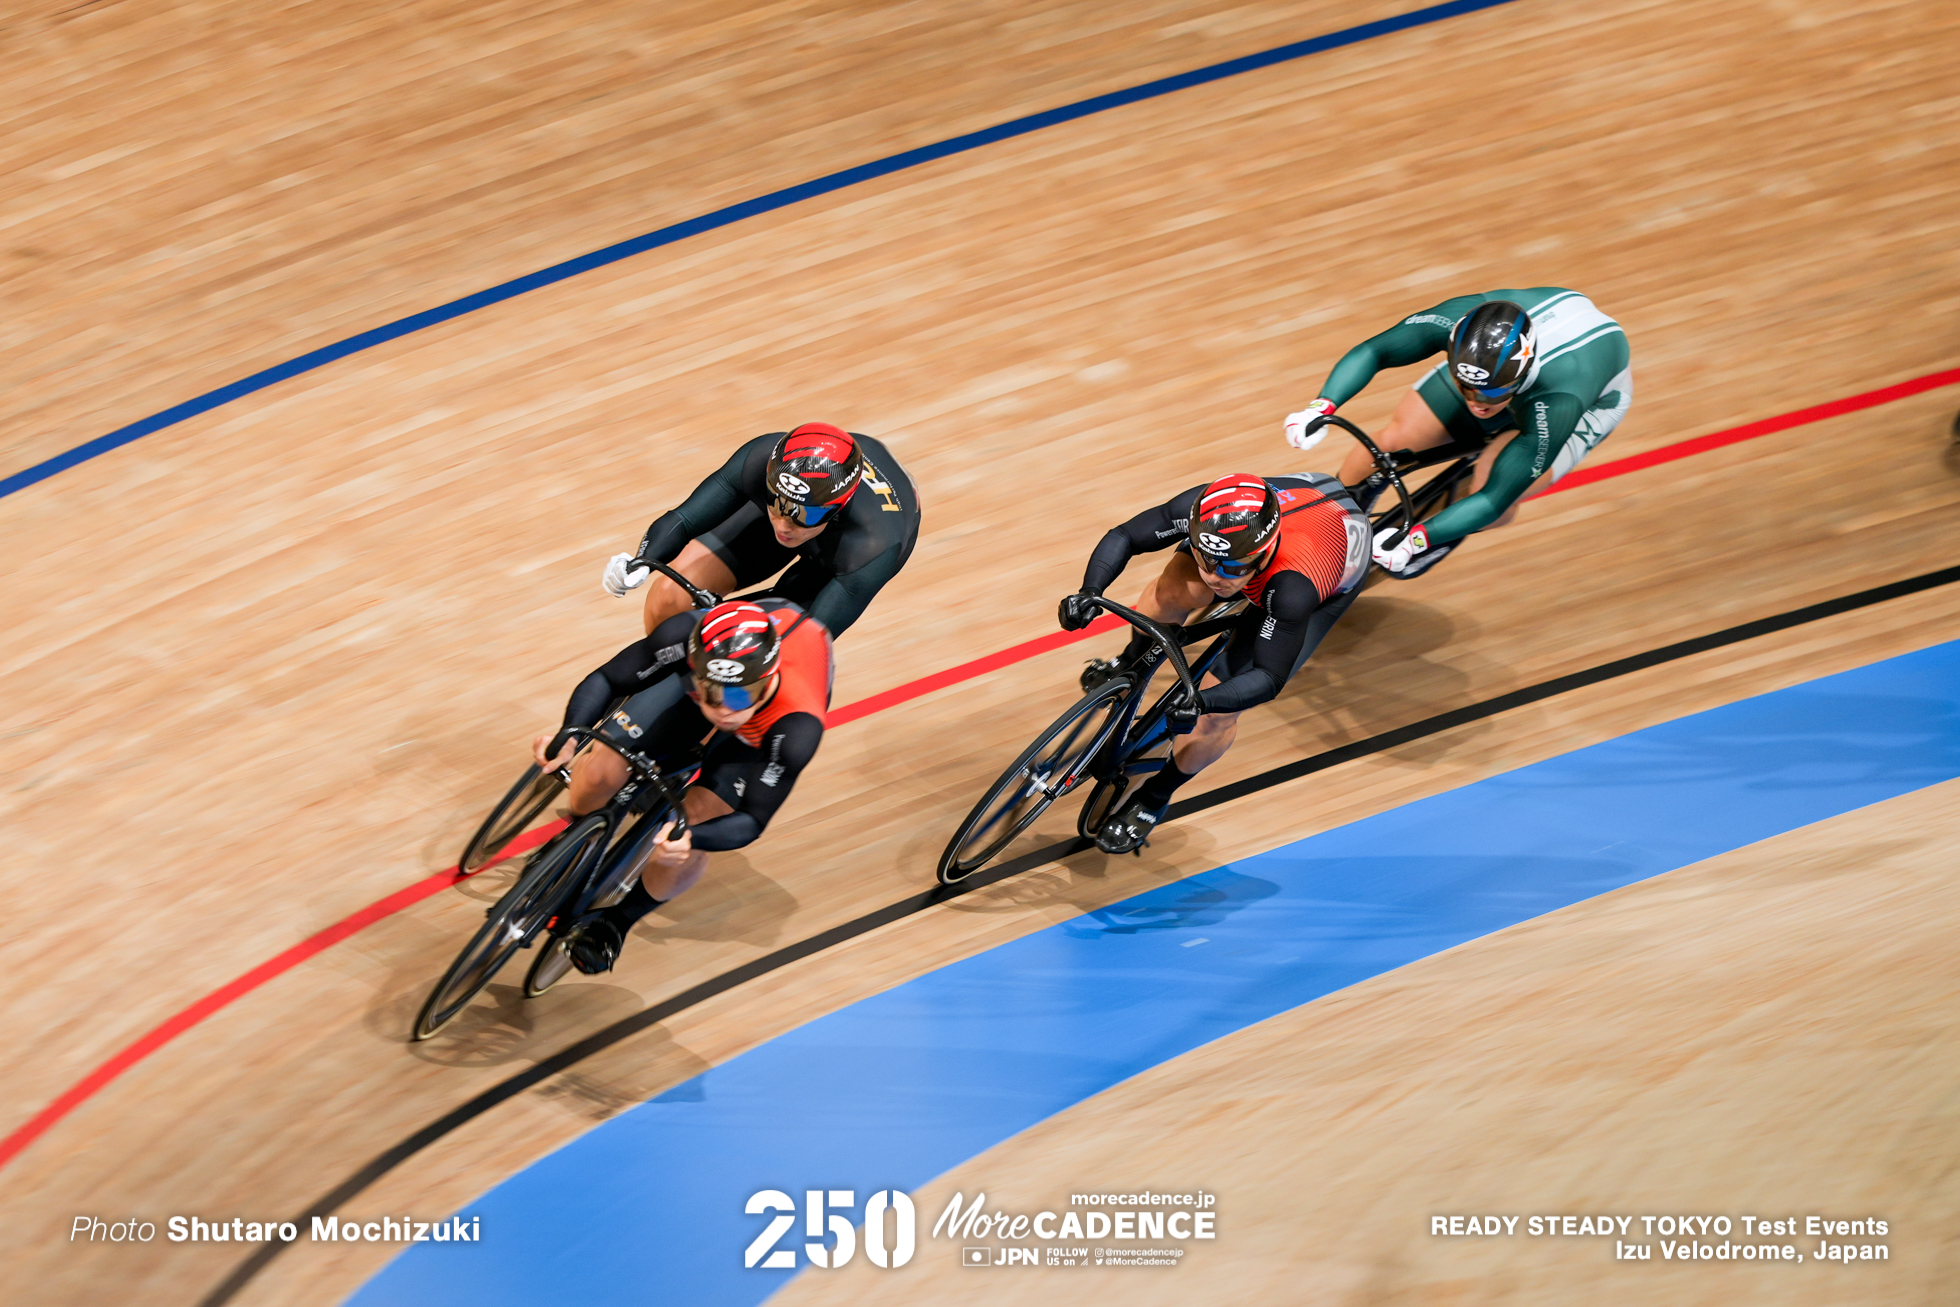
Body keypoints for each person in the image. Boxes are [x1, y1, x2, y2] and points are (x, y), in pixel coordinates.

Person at [1057, 471, 1371, 854]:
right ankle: (1129, 663)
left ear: (1262, 554)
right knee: (1169, 592)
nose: (1214, 578)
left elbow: (1269, 678)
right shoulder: (1205, 510)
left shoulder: (1293, 588)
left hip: (1326, 566)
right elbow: (1124, 535)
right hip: (1295, 501)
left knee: (1215, 716)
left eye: (1231, 569)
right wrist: (1090, 592)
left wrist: (1202, 702)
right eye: (1206, 560)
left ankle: (1156, 796)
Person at [531, 597, 833, 974]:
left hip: (761, 730)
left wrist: (691, 837)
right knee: (601, 770)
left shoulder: (797, 726)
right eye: (713, 693)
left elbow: (752, 820)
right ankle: (576, 837)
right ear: (694, 665)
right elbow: (608, 679)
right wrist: (569, 736)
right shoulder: (683, 637)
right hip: (707, 682)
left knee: (697, 820)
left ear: (768, 679)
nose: (725, 709)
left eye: (741, 694)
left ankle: (616, 923)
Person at [1281, 288, 1631, 578]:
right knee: (1391, 444)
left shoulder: (1560, 399)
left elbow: (1493, 500)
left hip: (1585, 402)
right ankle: (1331, 522)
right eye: (1465, 387)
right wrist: (1322, 406)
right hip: (1499, 371)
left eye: (1488, 395)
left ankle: (1442, 530)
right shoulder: (1456, 321)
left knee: (1492, 487)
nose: (1476, 403)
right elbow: (1375, 350)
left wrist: (1416, 540)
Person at [600, 422, 920, 637]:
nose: (783, 525)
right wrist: (642, 560)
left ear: (836, 508)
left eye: (800, 516)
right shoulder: (762, 458)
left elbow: (806, 645)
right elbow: (684, 519)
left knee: (754, 651)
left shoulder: (873, 546)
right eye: (774, 502)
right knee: (669, 598)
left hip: (842, 555)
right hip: (818, 505)